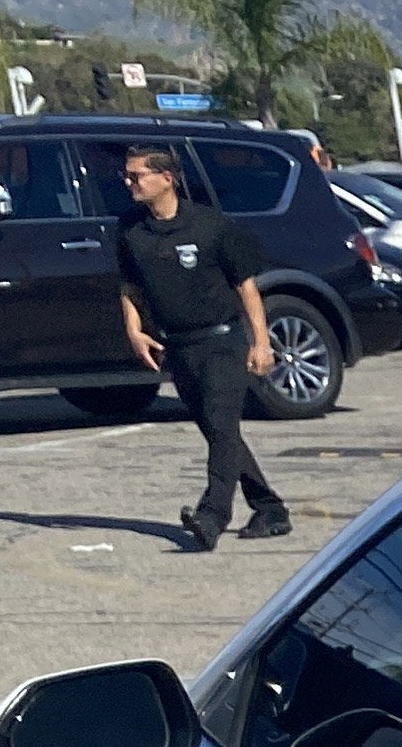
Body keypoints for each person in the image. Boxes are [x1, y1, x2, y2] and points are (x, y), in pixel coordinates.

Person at [112, 144, 291, 551]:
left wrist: (261, 343)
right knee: (219, 431)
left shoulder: (211, 227)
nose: (129, 183)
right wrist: (134, 331)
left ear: (166, 179)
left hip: (223, 342)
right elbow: (129, 287)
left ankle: (211, 518)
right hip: (178, 347)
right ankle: (270, 508)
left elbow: (246, 288)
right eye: (128, 175)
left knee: (221, 424)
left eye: (136, 176)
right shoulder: (129, 230)